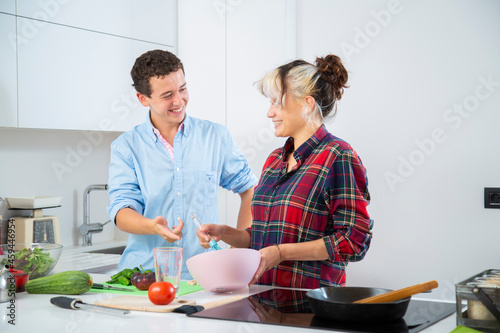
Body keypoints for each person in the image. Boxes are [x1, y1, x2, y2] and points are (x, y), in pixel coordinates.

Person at [197, 54, 373, 289]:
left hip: (310, 310)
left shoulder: (338, 156)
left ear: (307, 104)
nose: (270, 113)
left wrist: (282, 253)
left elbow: (354, 241)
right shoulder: (274, 161)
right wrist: (226, 233)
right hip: (262, 304)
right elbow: (263, 237)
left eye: (276, 103)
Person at [107, 49, 257, 279]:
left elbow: (249, 189)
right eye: (167, 95)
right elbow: (121, 211)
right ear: (143, 98)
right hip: (144, 276)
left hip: (205, 275)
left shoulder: (216, 137)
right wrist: (152, 226)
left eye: (183, 89)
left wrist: (239, 246)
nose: (179, 101)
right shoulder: (126, 147)